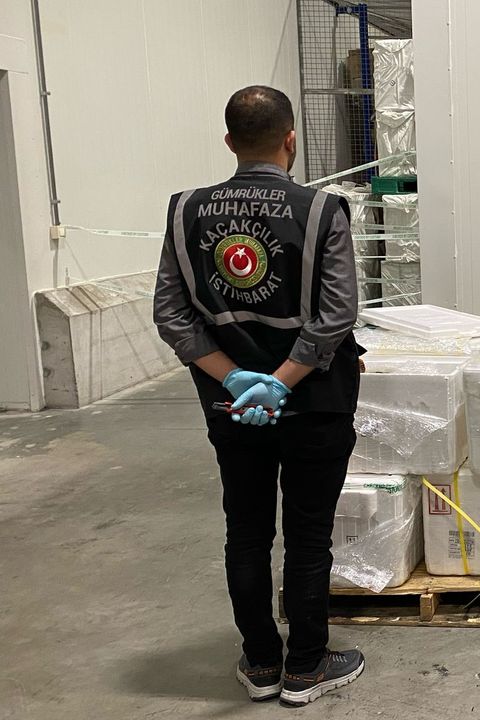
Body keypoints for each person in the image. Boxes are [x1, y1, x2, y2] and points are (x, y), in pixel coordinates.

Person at [153, 86, 366, 707]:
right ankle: (306, 666)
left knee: (246, 530)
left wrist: (236, 379)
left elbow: (171, 314)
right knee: (308, 534)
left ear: (229, 142)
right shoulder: (321, 210)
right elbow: (336, 315)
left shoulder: (185, 211)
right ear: (290, 139)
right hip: (315, 401)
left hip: (233, 407)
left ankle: (262, 661)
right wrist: (283, 381)